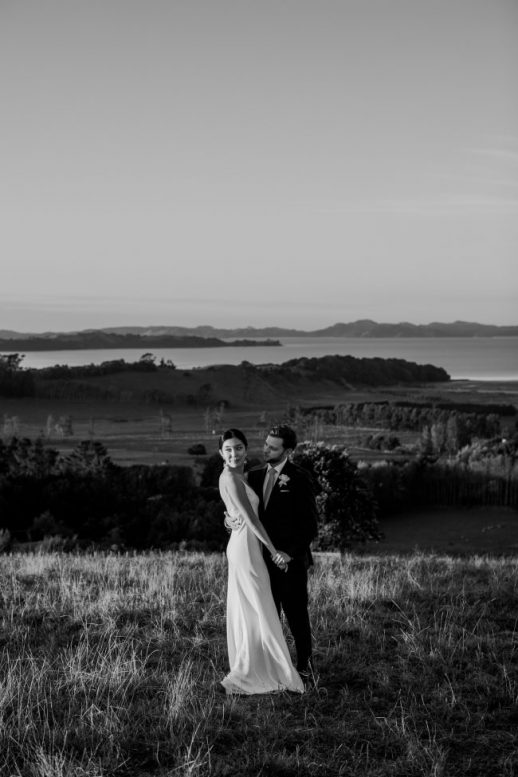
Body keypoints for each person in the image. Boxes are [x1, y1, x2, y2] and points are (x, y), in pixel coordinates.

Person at [227, 424, 319, 682]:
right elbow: (239, 510)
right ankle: (272, 668)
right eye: (266, 444)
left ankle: (305, 667)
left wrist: (290, 553)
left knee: (296, 615)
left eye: (273, 447)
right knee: (266, 615)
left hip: (289, 563)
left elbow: (310, 525)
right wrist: (228, 521)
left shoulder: (300, 478)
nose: (266, 449)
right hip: (258, 560)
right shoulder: (253, 475)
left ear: (288, 450)